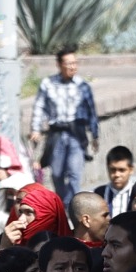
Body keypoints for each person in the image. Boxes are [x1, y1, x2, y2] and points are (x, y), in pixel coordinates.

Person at [29, 47, 99, 201]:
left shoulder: (83, 86)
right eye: (68, 63)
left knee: (74, 172)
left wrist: (95, 135)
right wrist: (35, 129)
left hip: (76, 133)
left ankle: (73, 206)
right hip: (57, 134)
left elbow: (91, 111)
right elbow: (39, 107)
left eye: (75, 63)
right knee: (57, 173)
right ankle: (64, 203)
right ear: (59, 65)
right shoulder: (48, 84)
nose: (73, 67)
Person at [93, 144, 136, 217]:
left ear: (131, 170)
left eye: (122, 170)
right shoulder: (98, 194)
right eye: (113, 170)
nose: (117, 175)